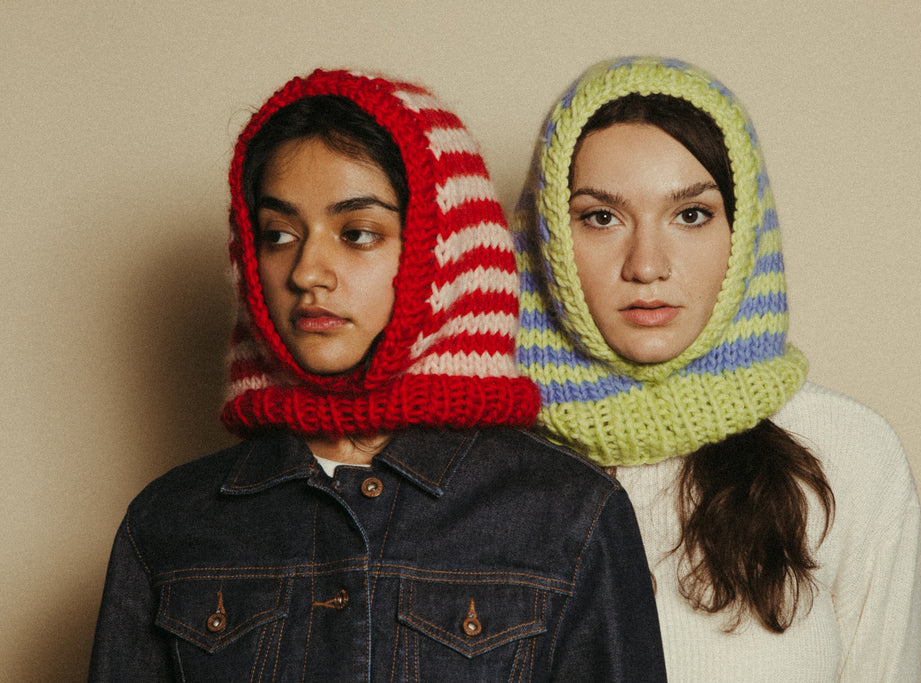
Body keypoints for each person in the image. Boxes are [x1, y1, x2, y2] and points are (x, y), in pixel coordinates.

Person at [89, 67, 667, 681]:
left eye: (358, 234)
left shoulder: (570, 516)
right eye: (278, 234)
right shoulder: (168, 522)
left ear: (445, 250)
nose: (307, 271)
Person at [513, 57, 921, 681]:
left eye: (691, 214)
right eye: (600, 216)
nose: (647, 264)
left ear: (744, 231)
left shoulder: (851, 454)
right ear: (548, 239)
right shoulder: (480, 466)